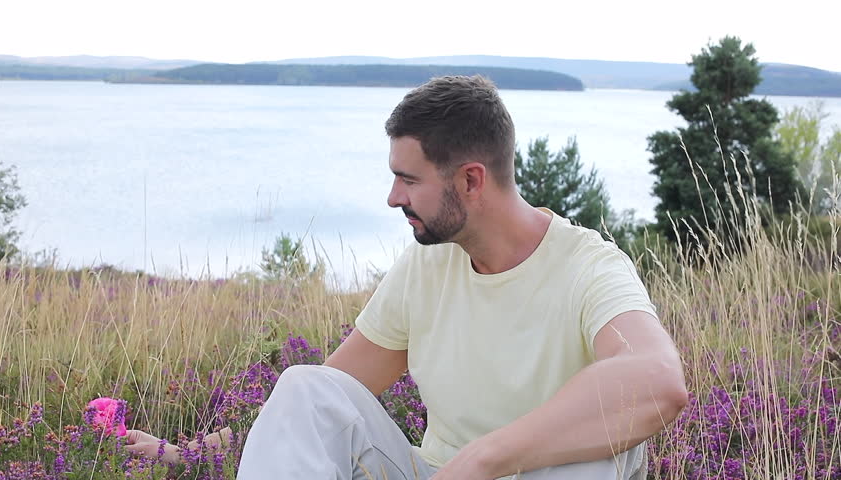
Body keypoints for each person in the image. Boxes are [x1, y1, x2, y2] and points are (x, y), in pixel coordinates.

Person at [128, 75, 688, 479]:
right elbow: (323, 404)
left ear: (471, 180)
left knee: (589, 461)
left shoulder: (589, 266)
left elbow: (658, 381)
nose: (394, 197)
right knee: (304, 386)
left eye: (408, 179)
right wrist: (190, 454)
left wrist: (488, 457)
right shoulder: (427, 264)